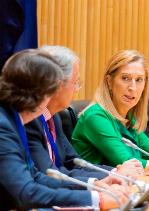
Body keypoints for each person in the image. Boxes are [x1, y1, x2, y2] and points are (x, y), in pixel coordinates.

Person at [0, 49, 125, 210]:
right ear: (43, 93)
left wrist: (93, 188)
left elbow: (36, 177)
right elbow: (26, 192)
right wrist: (96, 199)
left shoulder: (12, 119)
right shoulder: (4, 126)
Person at [72, 50, 149, 175]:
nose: (132, 88)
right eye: (125, 78)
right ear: (109, 81)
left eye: (139, 80)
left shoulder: (128, 118)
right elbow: (127, 162)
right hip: (94, 189)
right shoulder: (95, 117)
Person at [25, 45, 143, 181]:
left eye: (139, 80)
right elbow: (50, 174)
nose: (77, 89)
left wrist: (115, 172)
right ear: (56, 84)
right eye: (75, 82)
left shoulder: (53, 117)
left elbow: (74, 162)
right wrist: (100, 181)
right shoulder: (30, 122)